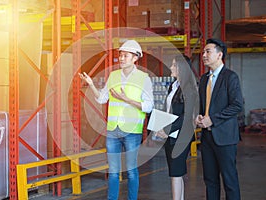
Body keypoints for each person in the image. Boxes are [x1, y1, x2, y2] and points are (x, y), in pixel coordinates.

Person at [79, 39, 154, 200]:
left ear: (135, 58)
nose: (121, 58)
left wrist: (126, 99)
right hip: (113, 130)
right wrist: (91, 84)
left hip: (132, 131)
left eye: (125, 55)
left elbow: (148, 106)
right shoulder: (113, 76)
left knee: (131, 170)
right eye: (120, 55)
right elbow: (102, 99)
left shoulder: (143, 78)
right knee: (113, 171)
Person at [195, 38, 243, 200]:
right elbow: (203, 106)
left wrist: (213, 119)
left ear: (219, 54)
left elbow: (237, 105)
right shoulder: (204, 79)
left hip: (225, 138)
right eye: (203, 52)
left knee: (229, 180)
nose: (204, 55)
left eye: (208, 51)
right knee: (210, 180)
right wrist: (199, 116)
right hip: (207, 137)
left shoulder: (230, 77)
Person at [155, 55, 198, 200]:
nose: (171, 68)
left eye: (174, 65)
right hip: (171, 135)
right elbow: (168, 111)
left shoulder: (190, 89)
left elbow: (187, 116)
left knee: (175, 172)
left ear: (182, 68)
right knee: (176, 173)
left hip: (181, 136)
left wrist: (166, 130)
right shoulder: (173, 86)